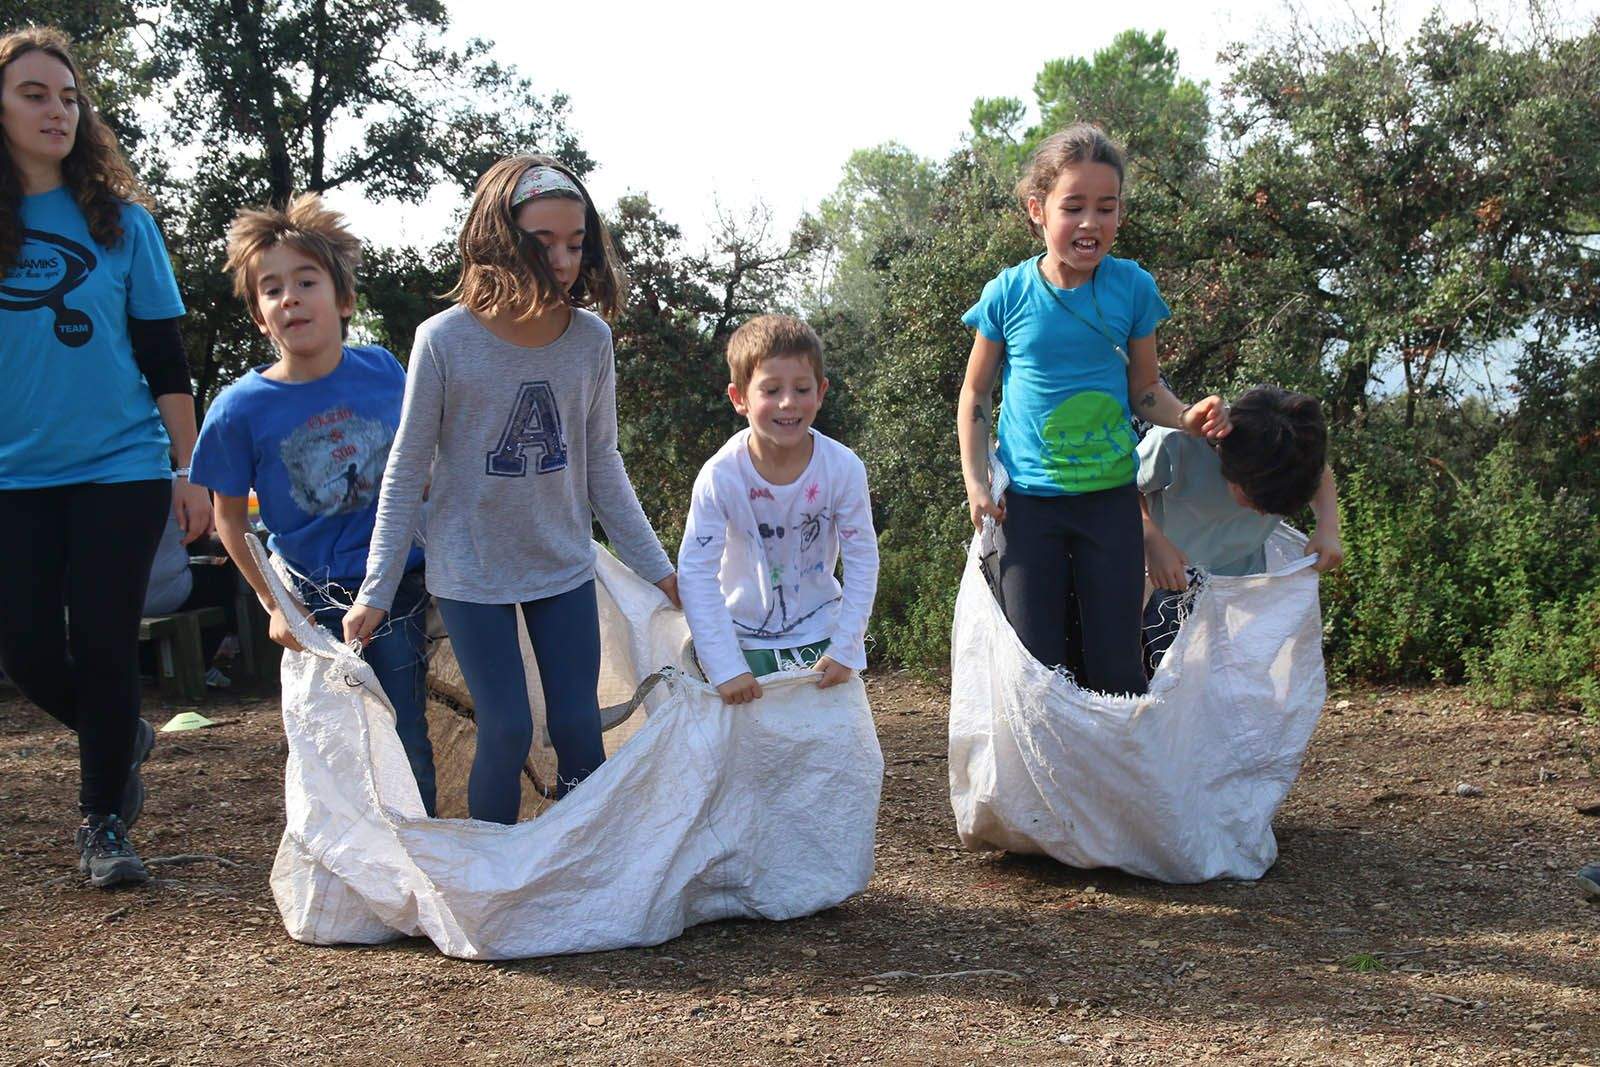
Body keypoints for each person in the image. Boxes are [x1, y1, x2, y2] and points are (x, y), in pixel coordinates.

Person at [344, 155, 679, 823]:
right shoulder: (444, 341)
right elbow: (406, 469)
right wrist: (375, 592)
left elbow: (602, 464)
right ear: (500, 238)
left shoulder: (590, 341)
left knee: (580, 725)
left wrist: (661, 571)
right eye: (543, 241)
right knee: (506, 728)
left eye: (576, 242)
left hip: (561, 564)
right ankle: (492, 881)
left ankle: (584, 870)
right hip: (471, 571)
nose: (563, 258)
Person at [0, 26, 211, 888]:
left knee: (102, 641)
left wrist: (190, 467)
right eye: (34, 94)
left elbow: (166, 360)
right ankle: (120, 734)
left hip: (120, 467)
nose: (57, 110)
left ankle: (102, 827)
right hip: (13, 475)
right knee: (22, 646)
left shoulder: (123, 225)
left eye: (69, 96)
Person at [956, 123, 1227, 696]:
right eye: (1073, 206)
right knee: (1038, 668)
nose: (1090, 223)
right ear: (1038, 210)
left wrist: (1186, 417)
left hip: (1110, 503)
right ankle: (1046, 788)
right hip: (1027, 509)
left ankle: (1117, 785)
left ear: (1120, 215)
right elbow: (976, 394)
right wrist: (976, 482)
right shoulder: (1008, 293)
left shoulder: (1132, 288)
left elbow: (1145, 390)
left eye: (1105, 208)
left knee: (1116, 669)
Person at [189, 193, 437, 814]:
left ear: (343, 298)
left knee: (403, 724)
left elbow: (421, 462)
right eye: (271, 289)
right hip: (319, 599)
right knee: (340, 743)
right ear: (258, 316)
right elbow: (227, 519)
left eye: (306, 280)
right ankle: (357, 865)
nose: (290, 297)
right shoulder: (238, 409)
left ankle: (425, 861)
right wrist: (277, 603)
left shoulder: (382, 369)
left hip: (402, 581)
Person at [677, 315, 879, 705]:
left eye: (801, 388)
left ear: (820, 393)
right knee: (753, 761)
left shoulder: (843, 467)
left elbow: (862, 560)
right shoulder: (721, 476)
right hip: (742, 642)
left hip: (822, 637)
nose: (788, 402)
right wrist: (724, 666)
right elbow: (696, 573)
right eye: (771, 390)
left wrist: (846, 647)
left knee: (831, 758)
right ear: (740, 399)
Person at [1138, 386, 1344, 670]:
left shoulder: (1290, 456)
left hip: (1240, 587)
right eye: (1253, 501)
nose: (1261, 513)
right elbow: (1122, 484)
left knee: (1240, 677)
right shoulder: (1176, 444)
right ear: (1228, 465)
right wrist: (1151, 535)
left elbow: (1320, 473)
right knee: (1168, 675)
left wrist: (1328, 527)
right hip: (1168, 580)